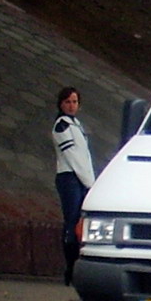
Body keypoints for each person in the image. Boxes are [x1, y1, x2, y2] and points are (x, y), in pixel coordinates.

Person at [53, 86, 96, 285]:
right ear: (61, 104)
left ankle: (76, 266)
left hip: (80, 177)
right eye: (68, 102)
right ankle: (70, 268)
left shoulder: (76, 125)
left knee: (80, 222)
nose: (72, 106)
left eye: (75, 102)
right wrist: (90, 183)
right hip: (69, 177)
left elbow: (84, 158)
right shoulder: (61, 126)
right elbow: (74, 158)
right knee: (71, 221)